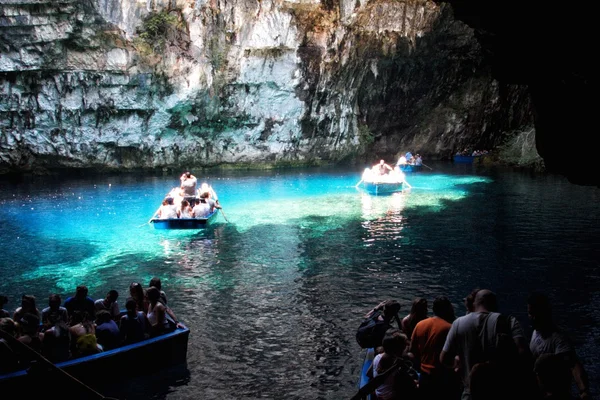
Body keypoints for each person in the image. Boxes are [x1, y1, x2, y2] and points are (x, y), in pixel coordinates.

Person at [440, 289, 530, 400]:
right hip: (501, 392)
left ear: (475, 303)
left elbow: (444, 358)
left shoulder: (458, 323)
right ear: (495, 304)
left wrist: (458, 363)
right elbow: (524, 354)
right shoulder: (509, 321)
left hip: (470, 393)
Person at [527, 292, 591, 399]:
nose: (532, 317)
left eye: (535, 314)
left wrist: (583, 391)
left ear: (545, 312)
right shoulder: (535, 333)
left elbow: (573, 364)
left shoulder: (559, 339)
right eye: (530, 313)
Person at [408, 296, 459, 400]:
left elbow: (412, 350)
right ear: (447, 310)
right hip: (443, 376)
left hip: (423, 374)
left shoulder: (420, 324)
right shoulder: (449, 328)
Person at [367, 329, 418, 400]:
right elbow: (410, 385)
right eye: (405, 344)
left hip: (378, 394)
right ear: (399, 349)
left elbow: (368, 374)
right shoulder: (397, 368)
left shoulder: (377, 357)